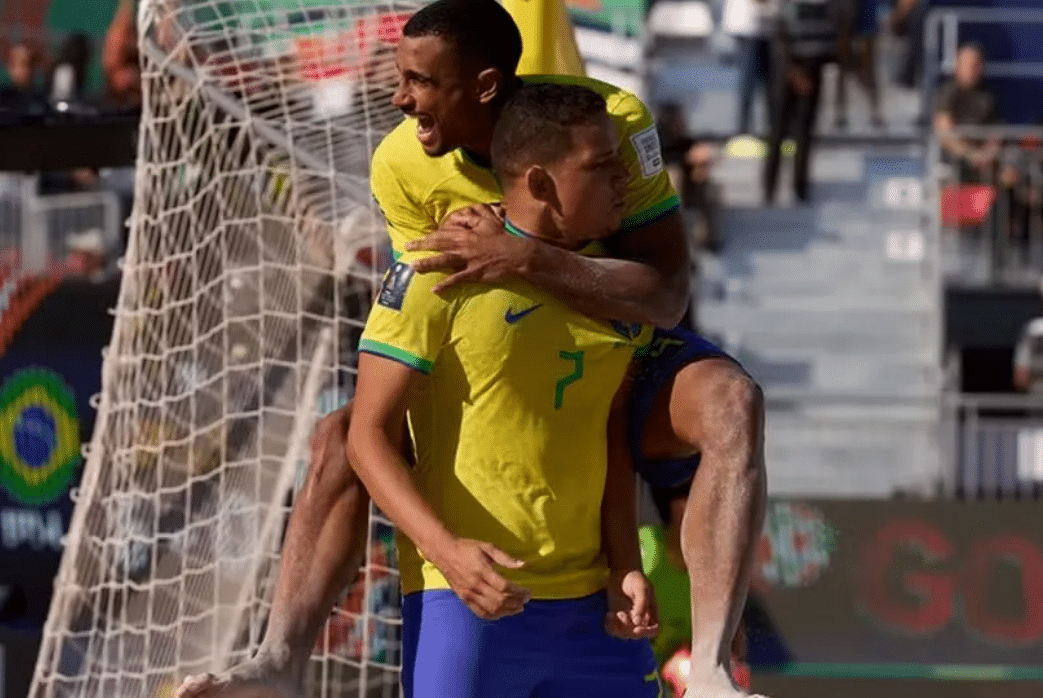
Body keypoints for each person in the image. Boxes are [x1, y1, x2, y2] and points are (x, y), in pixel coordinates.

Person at [174, 0, 700, 694]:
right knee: (345, 433)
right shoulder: (400, 167)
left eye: (419, 81)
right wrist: (445, 550)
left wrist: (523, 258)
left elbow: (665, 296)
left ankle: (715, 660)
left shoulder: (610, 124)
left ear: (482, 85)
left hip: (616, 345)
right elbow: (416, 313)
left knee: (731, 400)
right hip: (488, 471)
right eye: (401, 77)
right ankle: (279, 661)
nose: (397, 99)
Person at [352, 81, 661, 698]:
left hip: (594, 612)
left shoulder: (617, 286)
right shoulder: (434, 269)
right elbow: (366, 436)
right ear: (542, 184)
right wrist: (447, 553)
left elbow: (608, 436)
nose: (625, 175)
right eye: (602, 165)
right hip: (469, 601)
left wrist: (626, 560)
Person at [763, 0, 838, 205]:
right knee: (778, 131)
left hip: (813, 70)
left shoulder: (825, 7)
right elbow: (780, 37)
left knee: (805, 132)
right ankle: (770, 189)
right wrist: (793, 73)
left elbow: (831, 39)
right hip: (787, 71)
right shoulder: (789, 6)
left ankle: (800, 188)